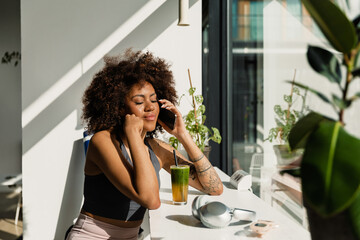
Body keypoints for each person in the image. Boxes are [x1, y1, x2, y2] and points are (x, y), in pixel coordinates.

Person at [66, 49, 223, 240]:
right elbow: (150, 200)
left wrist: (183, 135)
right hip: (92, 236)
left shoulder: (156, 148)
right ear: (119, 107)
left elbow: (214, 188)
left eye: (154, 100)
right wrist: (133, 134)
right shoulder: (103, 141)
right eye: (139, 101)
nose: (150, 107)